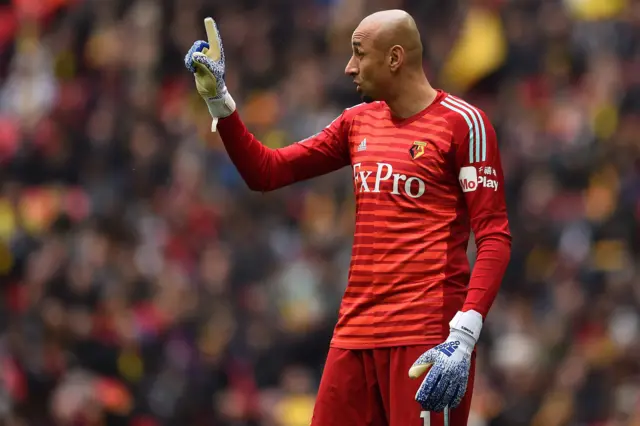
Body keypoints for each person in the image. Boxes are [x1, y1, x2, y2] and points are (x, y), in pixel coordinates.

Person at [184, 9, 511, 426]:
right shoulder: (356, 123)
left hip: (425, 336)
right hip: (354, 335)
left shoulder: (464, 125)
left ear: (395, 58)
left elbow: (495, 236)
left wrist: (464, 336)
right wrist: (220, 101)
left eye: (359, 53)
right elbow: (265, 172)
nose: (348, 67)